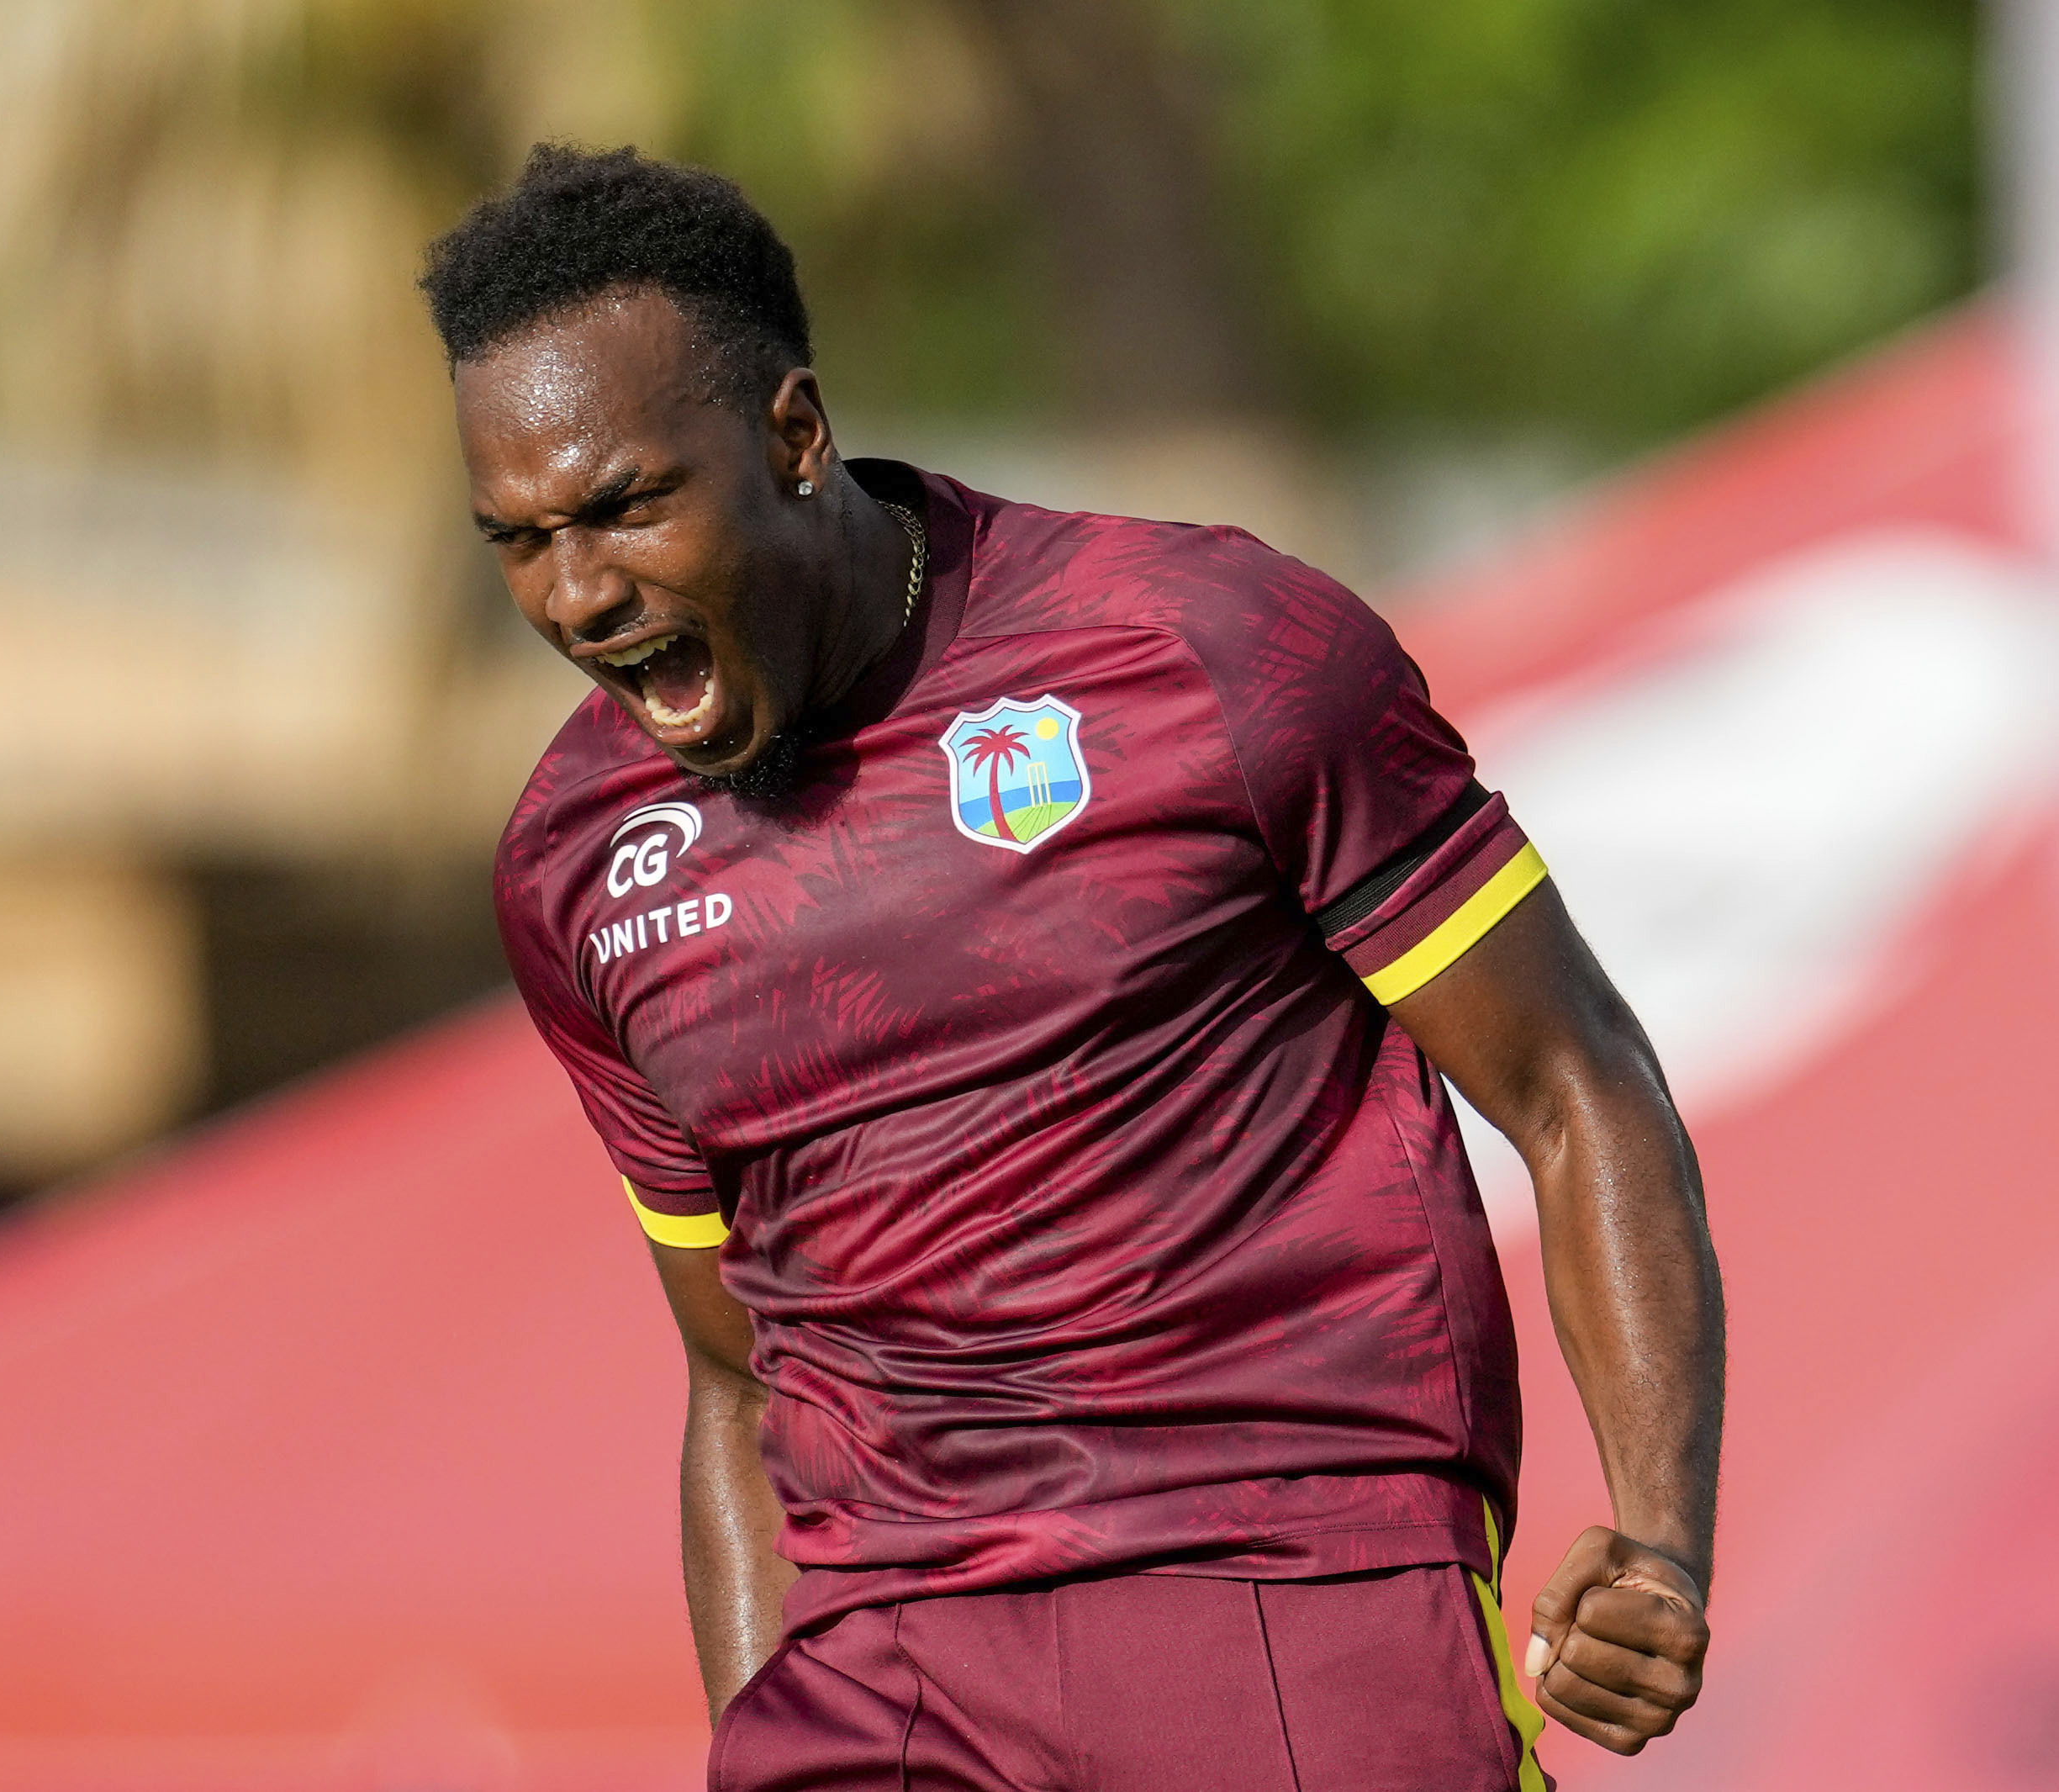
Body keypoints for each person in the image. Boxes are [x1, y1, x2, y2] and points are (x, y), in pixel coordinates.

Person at [423, 144, 1722, 1792]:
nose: (579, 593)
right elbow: (736, 1371)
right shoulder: (575, 859)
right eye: (521, 539)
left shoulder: (1206, 647)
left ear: (795, 438)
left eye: (624, 508)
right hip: (887, 1660)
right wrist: (763, 1727)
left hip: (1281, 1584)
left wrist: (1658, 1541)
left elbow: (1574, 1083)